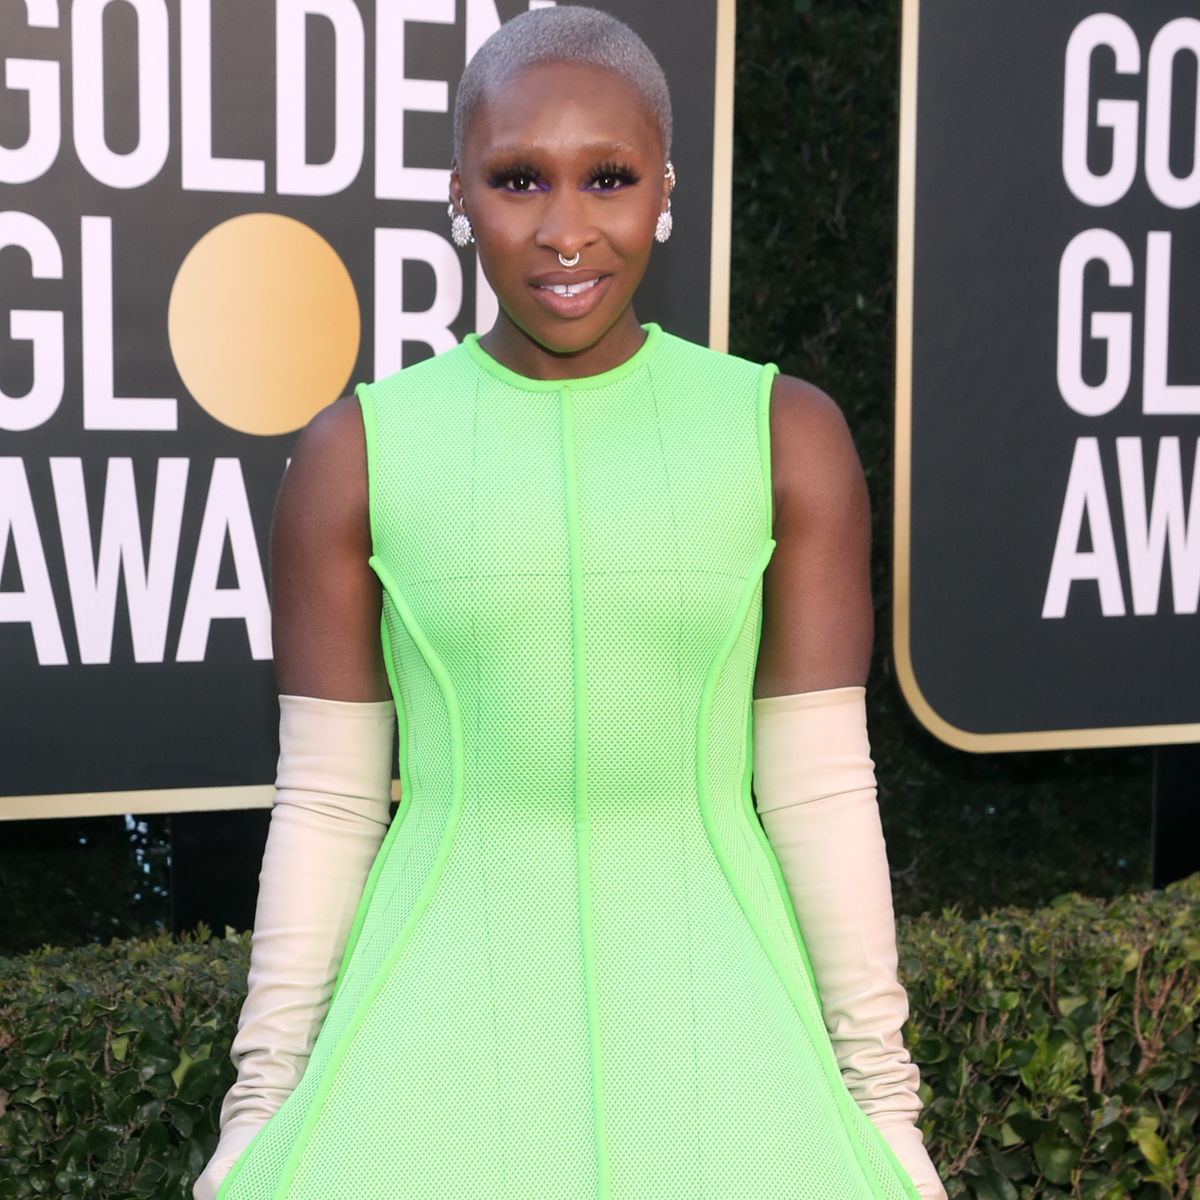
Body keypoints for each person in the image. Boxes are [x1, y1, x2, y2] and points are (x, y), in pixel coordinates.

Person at [195, 8, 946, 1199]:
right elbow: (332, 804)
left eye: (608, 177)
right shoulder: (359, 452)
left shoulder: (781, 435)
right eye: (516, 179)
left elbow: (818, 789)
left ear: (664, 188)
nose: (564, 230)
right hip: (438, 1030)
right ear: (459, 194)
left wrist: (884, 1105)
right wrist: (263, 1103)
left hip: (720, 1028)